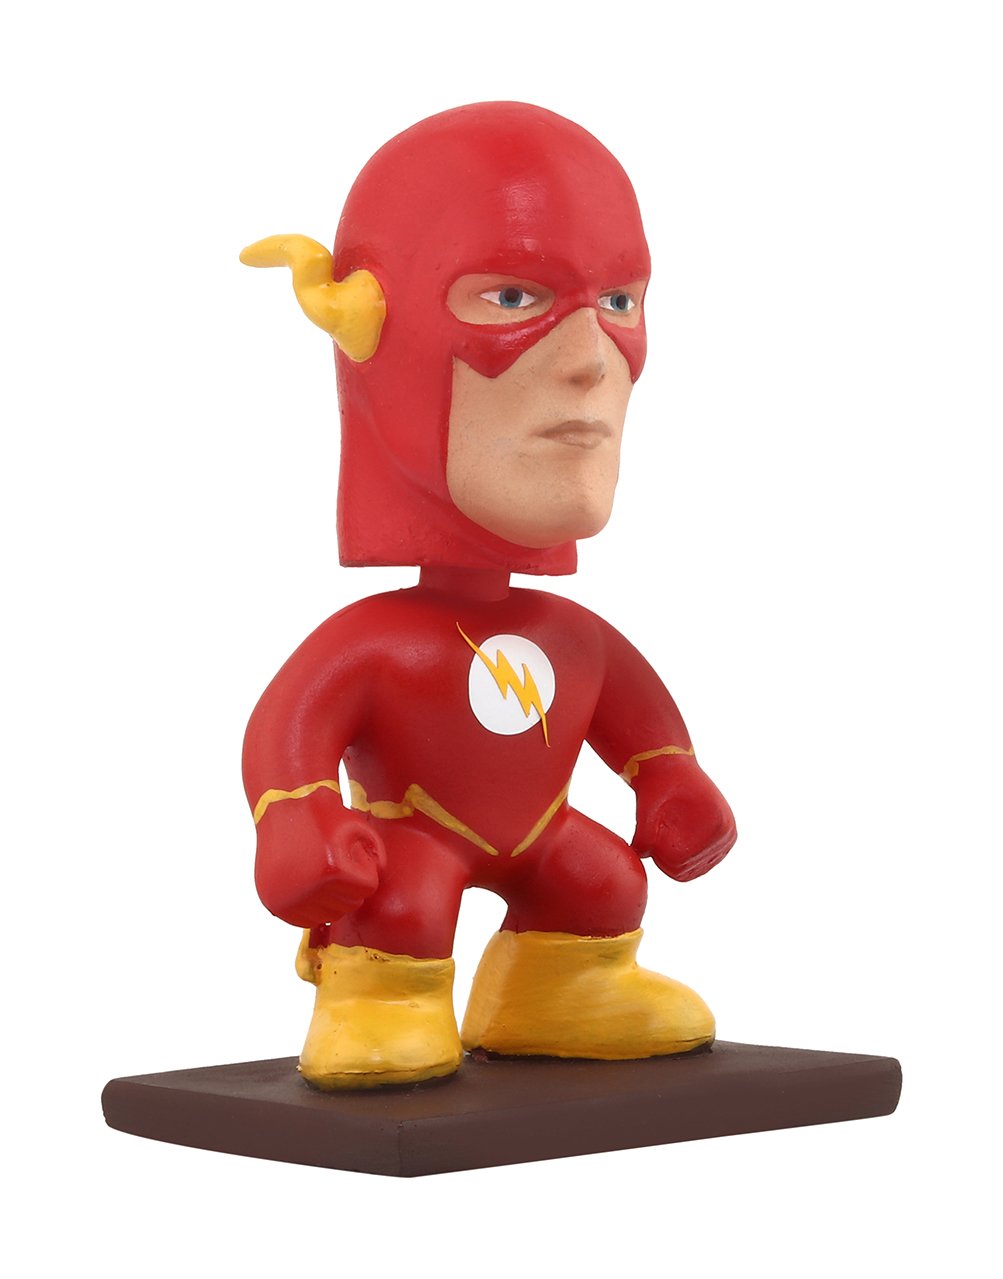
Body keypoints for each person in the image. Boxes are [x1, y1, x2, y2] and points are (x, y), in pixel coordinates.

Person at [241, 102, 737, 1090]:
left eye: (620, 301)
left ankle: (561, 989)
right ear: (366, 323)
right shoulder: (375, 643)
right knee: (403, 897)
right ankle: (382, 998)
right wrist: (296, 815)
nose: (591, 359)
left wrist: (670, 778)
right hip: (413, 834)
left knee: (604, 879)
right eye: (512, 297)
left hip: (542, 831)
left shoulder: (574, 638)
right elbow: (289, 729)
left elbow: (640, 725)